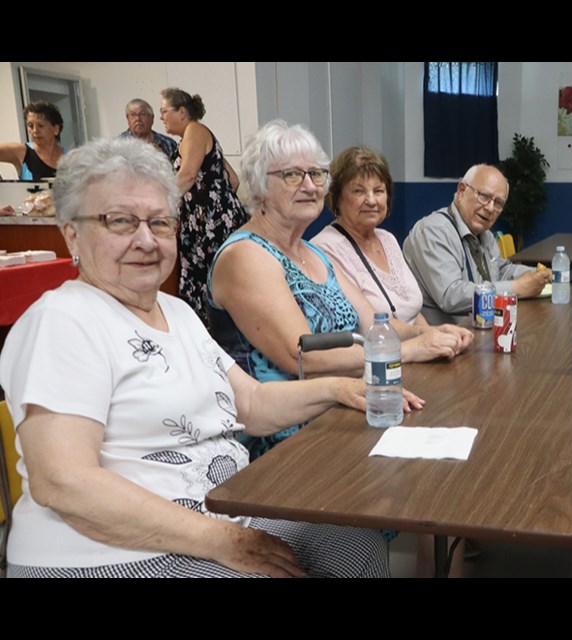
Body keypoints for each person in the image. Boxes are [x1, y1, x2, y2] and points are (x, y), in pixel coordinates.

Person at [0, 137, 392, 578]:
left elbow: (252, 406)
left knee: (355, 545)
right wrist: (225, 541)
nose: (146, 240)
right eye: (121, 222)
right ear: (71, 232)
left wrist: (339, 388)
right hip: (111, 550)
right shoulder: (63, 320)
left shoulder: (176, 311)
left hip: (219, 514)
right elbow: (64, 482)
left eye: (160, 223)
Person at [208, 120, 471, 459]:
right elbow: (301, 355)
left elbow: (374, 324)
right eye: (292, 175)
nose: (309, 185)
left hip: (343, 411)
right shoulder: (246, 254)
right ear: (259, 185)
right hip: (284, 444)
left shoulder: (313, 253)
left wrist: (435, 334)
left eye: (317, 174)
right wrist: (407, 350)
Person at [403, 164, 551, 324]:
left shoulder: (485, 234)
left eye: (498, 203)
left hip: (480, 329)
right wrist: (517, 288)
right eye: (484, 196)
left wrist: (537, 275)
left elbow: (500, 270)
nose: (490, 208)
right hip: (444, 339)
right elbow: (450, 297)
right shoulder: (434, 231)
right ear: (461, 191)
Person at [159, 87, 247, 325]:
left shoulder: (195, 131)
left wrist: (158, 208)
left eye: (164, 111)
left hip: (206, 223)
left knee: (210, 284)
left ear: (182, 112)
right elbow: (234, 179)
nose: (161, 117)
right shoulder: (195, 136)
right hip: (208, 219)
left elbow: (186, 176)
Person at [312, 146, 428, 325]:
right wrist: (427, 339)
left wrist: (434, 336)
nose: (372, 201)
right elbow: (366, 325)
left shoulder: (387, 239)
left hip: (417, 345)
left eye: (378, 191)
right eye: (359, 191)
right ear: (336, 198)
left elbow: (412, 313)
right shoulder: (325, 248)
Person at [0, 101, 65, 180]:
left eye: (40, 126)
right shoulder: (22, 152)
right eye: (30, 126)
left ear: (56, 129)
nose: (35, 130)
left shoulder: (71, 158)